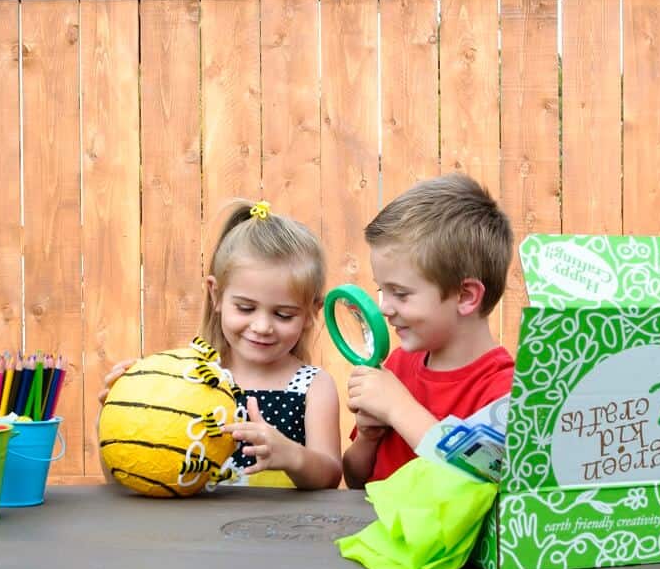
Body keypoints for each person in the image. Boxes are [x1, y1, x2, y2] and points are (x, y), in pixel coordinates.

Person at [98, 201, 342, 490]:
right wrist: (115, 416)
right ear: (216, 295)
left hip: (279, 531)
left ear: (311, 313)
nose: (262, 326)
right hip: (194, 532)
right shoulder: (187, 378)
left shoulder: (312, 385)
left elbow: (330, 477)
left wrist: (292, 456)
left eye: (283, 314)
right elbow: (120, 480)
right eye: (245, 308)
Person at [342, 174, 516, 488]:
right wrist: (367, 437)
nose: (385, 307)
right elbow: (355, 481)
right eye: (382, 290)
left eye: (401, 293)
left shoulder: (504, 391)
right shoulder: (398, 366)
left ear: (465, 296)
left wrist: (398, 408)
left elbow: (477, 481)